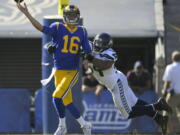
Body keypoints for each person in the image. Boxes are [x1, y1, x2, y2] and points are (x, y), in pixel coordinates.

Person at [16, 2, 92, 135]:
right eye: (70, 15)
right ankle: (85, 125)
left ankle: (62, 126)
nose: (72, 17)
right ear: (65, 16)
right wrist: (26, 13)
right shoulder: (57, 27)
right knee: (67, 101)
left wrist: (85, 54)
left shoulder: (82, 31)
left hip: (71, 71)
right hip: (58, 70)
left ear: (78, 16)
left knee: (56, 97)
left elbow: (87, 50)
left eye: (74, 15)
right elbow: (40, 27)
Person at [84, 32, 173, 135]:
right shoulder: (89, 47)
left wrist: (89, 58)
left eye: (101, 43)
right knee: (135, 103)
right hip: (117, 80)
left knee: (127, 113)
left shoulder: (110, 52)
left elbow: (104, 65)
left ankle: (158, 105)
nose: (98, 45)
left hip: (116, 83)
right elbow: (80, 44)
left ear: (107, 46)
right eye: (97, 42)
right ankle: (159, 118)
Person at [162, 50, 180, 132]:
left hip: (173, 95)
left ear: (172, 58)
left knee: (166, 115)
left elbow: (167, 82)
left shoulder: (170, 67)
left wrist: (165, 93)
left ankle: (170, 132)